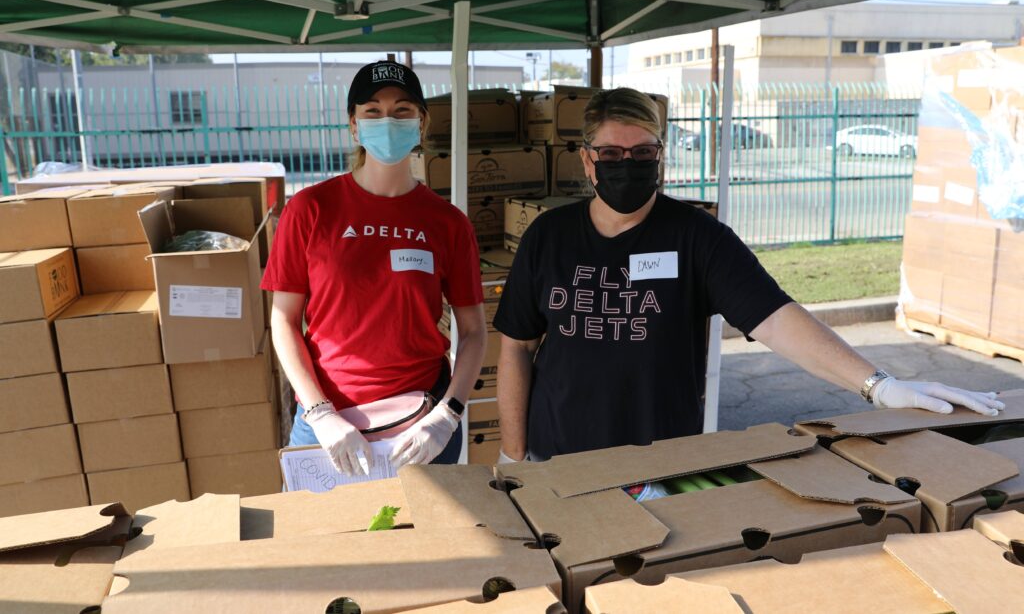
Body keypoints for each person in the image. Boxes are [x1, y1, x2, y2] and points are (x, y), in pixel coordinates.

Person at [493, 87, 1005, 463]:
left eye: (643, 153)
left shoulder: (696, 236)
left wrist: (878, 386)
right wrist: (513, 457)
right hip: (555, 456)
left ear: (662, 160)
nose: (627, 165)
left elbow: (776, 320)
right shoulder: (549, 235)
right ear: (587, 161)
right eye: (611, 154)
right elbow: (516, 345)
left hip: (661, 463)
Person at [262, 60, 486, 476]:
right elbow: (283, 320)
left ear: (421, 123)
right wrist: (320, 412)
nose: (388, 120)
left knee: (428, 540)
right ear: (353, 124)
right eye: (373, 111)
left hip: (420, 424)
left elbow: (473, 331)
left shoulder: (447, 222)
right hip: (326, 425)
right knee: (324, 539)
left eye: (402, 110)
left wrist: (449, 414)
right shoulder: (309, 210)